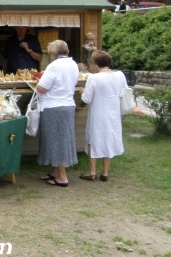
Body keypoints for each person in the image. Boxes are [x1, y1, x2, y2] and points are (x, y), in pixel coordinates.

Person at [36, 40, 79, 187]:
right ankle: (55, 171)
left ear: (53, 53)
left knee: (56, 141)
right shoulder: (73, 64)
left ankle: (62, 177)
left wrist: (38, 82)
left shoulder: (54, 66)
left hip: (53, 106)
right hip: (68, 105)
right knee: (61, 138)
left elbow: (42, 88)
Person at [80, 50, 127, 182]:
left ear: (96, 64)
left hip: (98, 113)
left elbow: (87, 99)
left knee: (93, 140)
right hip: (113, 113)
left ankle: (92, 171)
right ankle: (105, 172)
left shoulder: (94, 78)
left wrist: (82, 92)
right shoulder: (119, 76)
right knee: (109, 139)